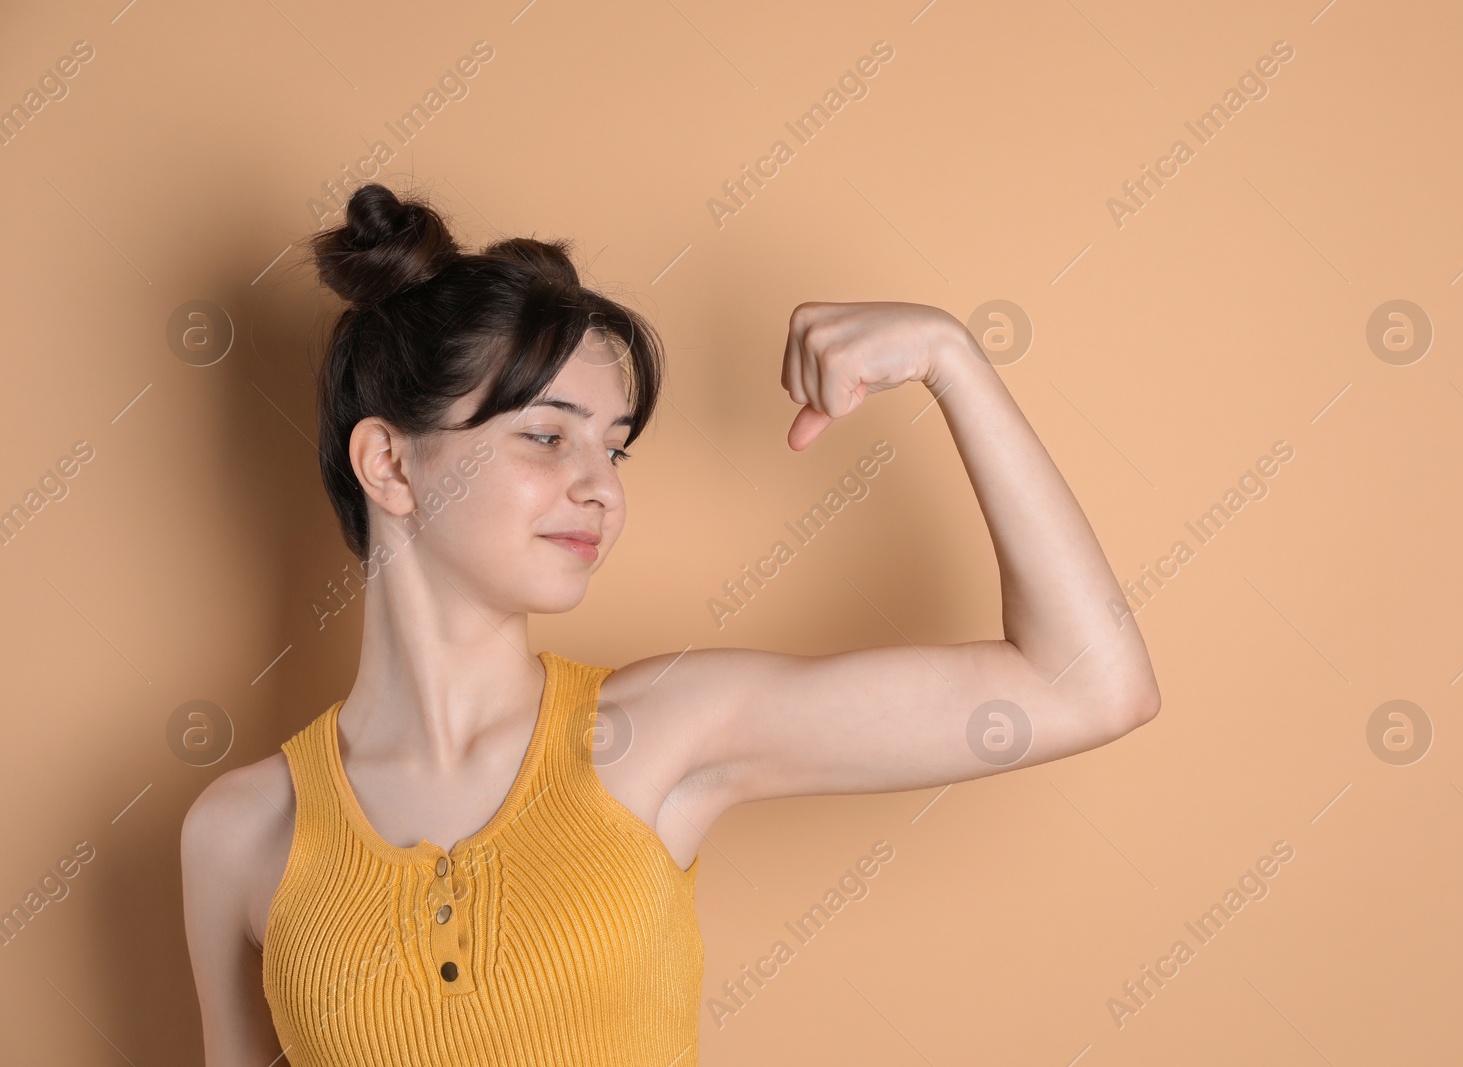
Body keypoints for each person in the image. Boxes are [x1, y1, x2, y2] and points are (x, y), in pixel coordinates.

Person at [180, 182, 1160, 1066]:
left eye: (614, 449)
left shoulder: (662, 733)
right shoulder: (242, 831)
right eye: (546, 433)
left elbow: (1085, 684)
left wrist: (954, 359)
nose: (598, 487)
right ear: (389, 464)